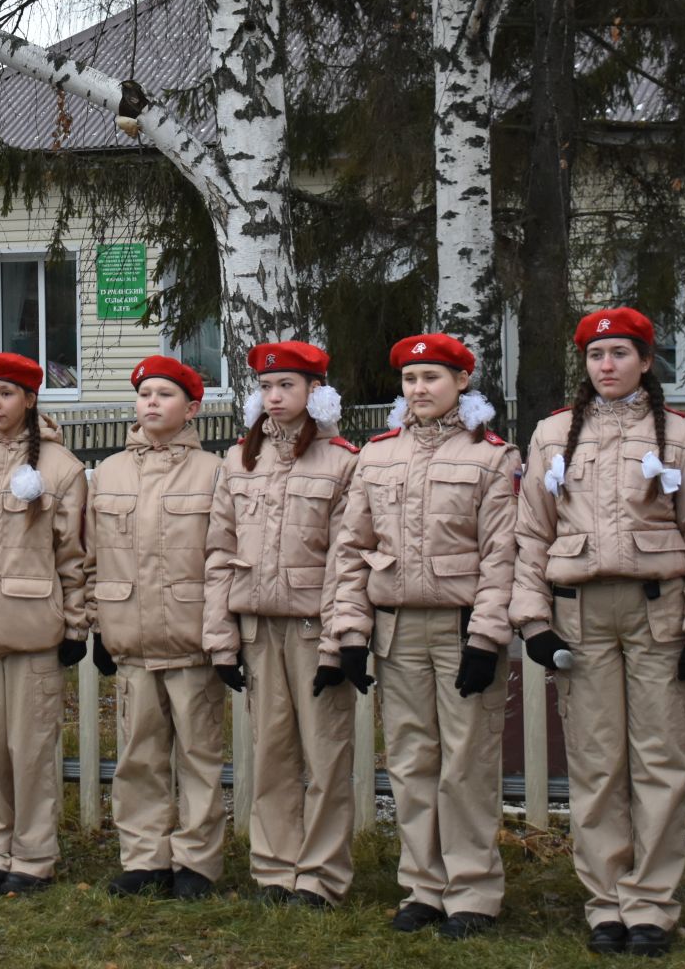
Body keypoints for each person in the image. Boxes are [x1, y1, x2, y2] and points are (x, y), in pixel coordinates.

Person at [511, 309, 685, 956]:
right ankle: (605, 901)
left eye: (620, 353)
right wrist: (533, 621)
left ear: (645, 361)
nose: (606, 365)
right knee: (596, 762)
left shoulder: (681, 436)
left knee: (660, 761)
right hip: (581, 615)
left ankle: (652, 904)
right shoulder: (554, 434)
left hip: (658, 610)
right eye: (596, 354)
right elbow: (531, 535)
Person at [322, 333, 519, 939]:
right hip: (397, 626)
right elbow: (350, 551)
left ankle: (472, 891)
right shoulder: (376, 456)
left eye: (432, 377)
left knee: (466, 762)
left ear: (462, 381)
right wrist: (350, 631)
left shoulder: (493, 456)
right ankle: (423, 887)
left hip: (460, 627)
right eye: (410, 380)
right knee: (410, 760)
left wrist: (487, 637)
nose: (419, 390)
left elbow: (501, 555)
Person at [204, 340, 358, 908]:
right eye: (267, 387)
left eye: (287, 386)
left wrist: (342, 640)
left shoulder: (342, 461)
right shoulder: (238, 461)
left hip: (315, 628)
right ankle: (274, 868)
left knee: (325, 755)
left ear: (315, 392)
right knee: (270, 752)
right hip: (256, 628)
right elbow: (218, 552)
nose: (274, 397)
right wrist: (221, 640)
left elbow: (349, 558)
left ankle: (320, 875)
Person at [0, 352, 89, 895]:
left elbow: (74, 557)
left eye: (5, 394)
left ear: (29, 399)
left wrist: (75, 626)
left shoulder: (60, 468)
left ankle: (32, 855)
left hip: (32, 630)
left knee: (30, 750)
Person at [86, 355, 226, 900]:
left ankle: (196, 861)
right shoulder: (110, 472)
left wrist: (221, 635)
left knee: (198, 757)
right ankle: (144, 857)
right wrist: (99, 625)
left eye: (164, 395)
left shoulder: (215, 472)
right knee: (138, 756)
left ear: (191, 408)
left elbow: (222, 557)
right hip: (131, 639)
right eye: (144, 394)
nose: (151, 403)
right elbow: (93, 555)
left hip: (191, 641)